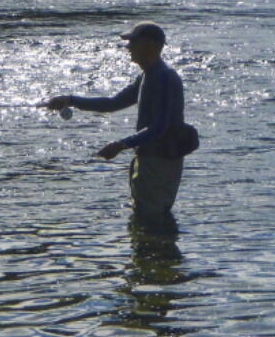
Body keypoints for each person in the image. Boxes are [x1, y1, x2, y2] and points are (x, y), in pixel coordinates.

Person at [46, 22, 186, 223]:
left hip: (160, 160)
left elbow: (160, 127)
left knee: (151, 219)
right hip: (149, 158)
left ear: (150, 45)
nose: (128, 47)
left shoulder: (164, 78)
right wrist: (70, 100)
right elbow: (111, 103)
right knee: (146, 216)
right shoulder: (147, 76)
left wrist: (121, 145)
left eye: (133, 42)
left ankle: (156, 251)